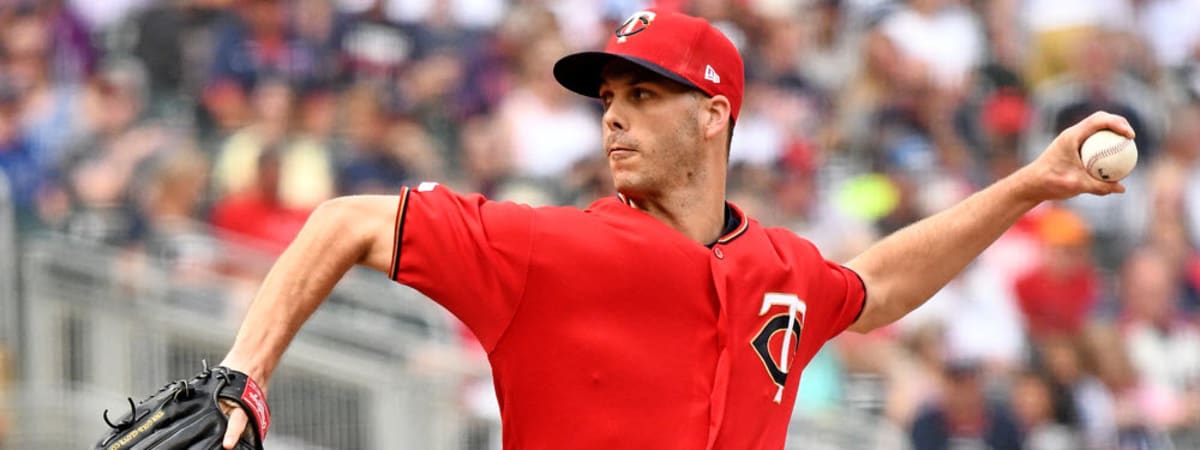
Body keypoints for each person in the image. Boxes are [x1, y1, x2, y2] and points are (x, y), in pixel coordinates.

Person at [215, 9, 1132, 450]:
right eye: (608, 98)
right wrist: (242, 380)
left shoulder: (780, 267)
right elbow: (344, 222)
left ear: (715, 116)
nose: (612, 117)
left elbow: (875, 287)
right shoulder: (546, 246)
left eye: (644, 95)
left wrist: (1028, 185)